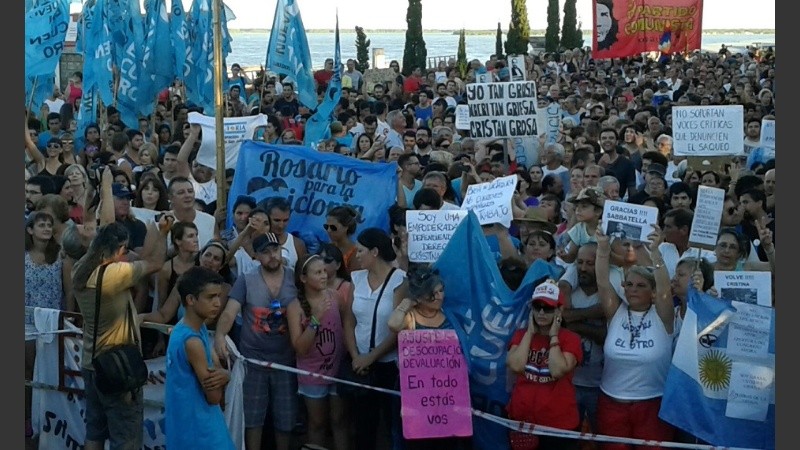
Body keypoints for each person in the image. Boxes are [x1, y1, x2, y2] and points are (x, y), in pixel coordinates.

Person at [73, 214, 171, 450]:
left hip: (90, 364)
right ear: (119, 249)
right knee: (125, 438)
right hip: (117, 368)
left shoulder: (80, 269)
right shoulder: (112, 275)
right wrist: (163, 231)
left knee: (95, 431)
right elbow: (156, 263)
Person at [594, 220, 676, 449]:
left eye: (640, 286)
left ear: (652, 293)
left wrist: (655, 252)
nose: (632, 289)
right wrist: (602, 248)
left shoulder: (662, 316)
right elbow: (602, 281)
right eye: (629, 284)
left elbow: (665, 290)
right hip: (611, 404)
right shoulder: (616, 311)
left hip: (652, 405)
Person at [213, 233, 299, 450]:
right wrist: (220, 335)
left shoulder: (294, 277)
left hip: (286, 360)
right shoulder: (246, 280)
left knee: (285, 421)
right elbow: (229, 312)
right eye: (266, 252)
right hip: (253, 361)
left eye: (275, 250)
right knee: (252, 420)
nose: (272, 256)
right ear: (256, 255)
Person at [387, 265, 472, 450]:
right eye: (433, 293)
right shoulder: (410, 318)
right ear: (420, 297)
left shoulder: (450, 316)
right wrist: (406, 304)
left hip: (447, 395)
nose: (440, 296)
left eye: (441, 291)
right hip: (416, 396)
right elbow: (393, 324)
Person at [342, 228, 406, 450]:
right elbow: (349, 321)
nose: (356, 255)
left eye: (360, 250)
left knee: (392, 423)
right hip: (359, 363)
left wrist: (371, 357)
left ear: (375, 251)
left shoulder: (399, 280)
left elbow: (399, 328)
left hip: (389, 365)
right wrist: (356, 356)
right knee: (363, 424)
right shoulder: (356, 278)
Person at [506, 280, 583, 450]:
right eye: (537, 307)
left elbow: (557, 370)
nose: (541, 312)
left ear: (559, 310)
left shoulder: (571, 339)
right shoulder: (521, 336)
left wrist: (554, 337)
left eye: (547, 308)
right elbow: (516, 366)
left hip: (558, 425)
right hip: (522, 420)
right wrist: (530, 333)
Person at [165, 266, 235, 450]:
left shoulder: (187, 328)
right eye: (211, 297)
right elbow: (213, 396)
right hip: (201, 432)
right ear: (190, 300)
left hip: (185, 428)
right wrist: (226, 376)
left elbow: (216, 367)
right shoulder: (192, 342)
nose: (218, 303)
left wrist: (223, 374)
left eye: (219, 296)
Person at [287, 254, 349, 450]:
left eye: (324, 271)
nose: (324, 275)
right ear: (303, 278)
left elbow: (348, 325)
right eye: (318, 272)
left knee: (339, 421)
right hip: (312, 373)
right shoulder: (295, 307)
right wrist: (315, 319)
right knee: (317, 423)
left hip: (338, 370)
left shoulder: (335, 296)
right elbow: (300, 347)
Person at [324, 205, 362, 274]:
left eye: (333, 227)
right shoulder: (327, 248)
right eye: (326, 226)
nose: (328, 230)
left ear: (346, 227)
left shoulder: (355, 253)